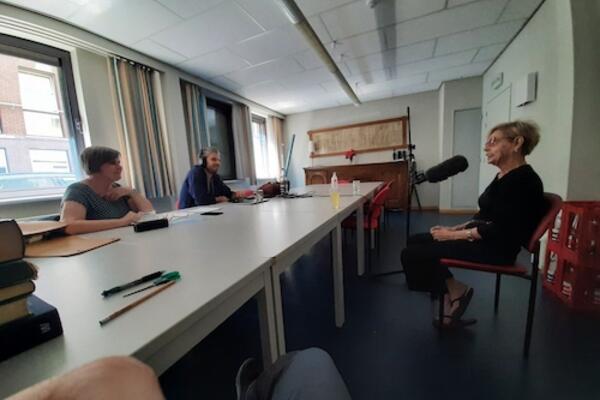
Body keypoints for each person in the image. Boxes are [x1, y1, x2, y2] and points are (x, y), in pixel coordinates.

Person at [401, 120, 545, 328]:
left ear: (517, 143)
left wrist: (451, 236)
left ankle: (452, 291)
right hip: (486, 238)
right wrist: (454, 228)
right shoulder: (503, 176)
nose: (486, 147)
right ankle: (450, 289)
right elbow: (484, 215)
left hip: (497, 249)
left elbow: (500, 229)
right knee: (415, 241)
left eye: (493, 141)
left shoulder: (525, 180)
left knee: (412, 254)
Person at [60, 146, 154, 234]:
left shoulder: (119, 189)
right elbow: (68, 226)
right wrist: (122, 222)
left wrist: (132, 192)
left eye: (118, 163)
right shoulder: (77, 190)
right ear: (95, 165)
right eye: (113, 163)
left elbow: (150, 214)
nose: (120, 167)